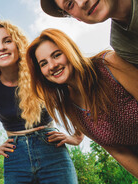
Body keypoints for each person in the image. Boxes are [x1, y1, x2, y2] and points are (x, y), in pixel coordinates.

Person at [0, 20, 81, 184]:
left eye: (7, 41)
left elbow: (73, 92)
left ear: (18, 45)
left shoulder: (40, 73)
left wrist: (78, 136)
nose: (1, 47)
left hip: (52, 149)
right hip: (15, 157)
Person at [26, 28, 138, 178]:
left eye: (57, 55)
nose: (52, 66)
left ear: (69, 50)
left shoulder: (109, 64)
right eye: (43, 63)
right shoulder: (70, 107)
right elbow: (118, 150)